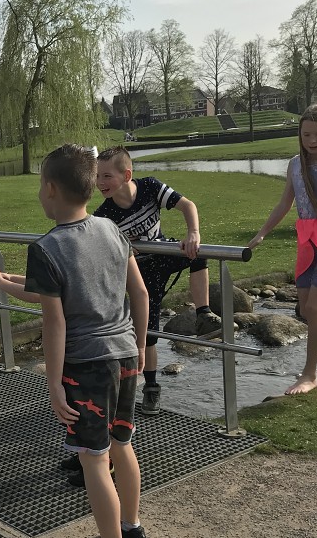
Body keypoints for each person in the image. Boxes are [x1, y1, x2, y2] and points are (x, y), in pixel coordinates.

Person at [0, 144, 149, 538]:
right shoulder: (111, 230)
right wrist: (138, 345)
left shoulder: (47, 247)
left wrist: (55, 382)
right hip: (124, 354)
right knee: (122, 444)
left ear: (51, 189)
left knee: (93, 459)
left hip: (86, 364)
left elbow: (54, 319)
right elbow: (138, 293)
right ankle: (132, 530)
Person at [94, 146, 222, 416]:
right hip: (142, 272)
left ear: (126, 175)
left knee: (197, 255)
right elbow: (103, 252)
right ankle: (151, 388)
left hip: (164, 253)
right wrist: (123, 247)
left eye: (106, 176)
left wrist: (193, 233)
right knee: (148, 330)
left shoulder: (150, 187)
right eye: (97, 176)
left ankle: (203, 313)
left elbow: (187, 205)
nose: (100, 182)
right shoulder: (103, 215)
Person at [248, 104, 317, 395]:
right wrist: (262, 233)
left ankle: (309, 374)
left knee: (315, 307)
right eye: (306, 134)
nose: (312, 140)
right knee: (305, 308)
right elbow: (284, 203)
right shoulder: (294, 164)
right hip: (307, 242)